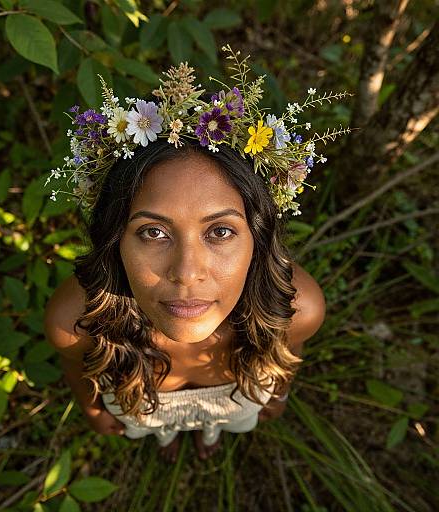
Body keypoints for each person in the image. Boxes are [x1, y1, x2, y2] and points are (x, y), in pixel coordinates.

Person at [43, 50, 341, 463]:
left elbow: (287, 357)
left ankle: (211, 435)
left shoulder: (298, 309)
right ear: (114, 239)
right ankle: (165, 439)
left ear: (258, 237)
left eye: (219, 232)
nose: (186, 273)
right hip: (143, 410)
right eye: (153, 232)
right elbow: (79, 372)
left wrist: (281, 392)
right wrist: (93, 409)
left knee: (223, 423)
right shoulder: (76, 323)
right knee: (158, 434)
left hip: (236, 404)